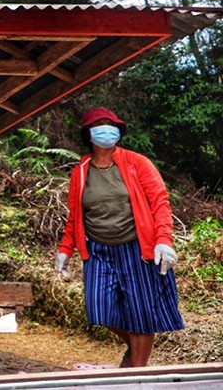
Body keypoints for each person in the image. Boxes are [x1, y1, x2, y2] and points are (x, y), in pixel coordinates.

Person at [55, 107, 184, 368]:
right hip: (99, 250)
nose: (106, 129)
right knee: (98, 309)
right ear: (89, 134)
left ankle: (137, 373)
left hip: (137, 249)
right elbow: (75, 216)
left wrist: (163, 240)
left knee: (141, 314)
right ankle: (134, 352)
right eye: (99, 124)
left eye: (110, 124)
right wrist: (65, 250)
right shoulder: (81, 171)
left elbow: (160, 202)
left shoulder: (138, 162)